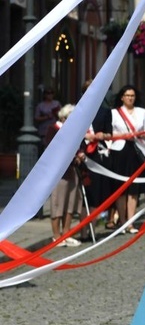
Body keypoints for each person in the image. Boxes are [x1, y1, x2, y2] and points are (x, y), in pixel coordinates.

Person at [109, 85, 145, 233]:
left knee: (134, 189)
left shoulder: (141, 112)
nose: (130, 98)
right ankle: (122, 221)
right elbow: (110, 133)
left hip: (136, 150)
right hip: (120, 152)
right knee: (121, 188)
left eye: (132, 95)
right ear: (122, 97)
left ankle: (130, 222)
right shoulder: (114, 113)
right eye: (127, 95)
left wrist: (142, 134)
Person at [44, 104, 83, 247]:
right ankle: (56, 236)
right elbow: (52, 149)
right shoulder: (53, 129)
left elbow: (80, 146)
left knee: (70, 203)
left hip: (72, 171)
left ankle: (66, 234)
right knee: (58, 204)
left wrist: (80, 155)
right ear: (63, 117)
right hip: (59, 173)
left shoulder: (74, 131)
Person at [81, 79, 114, 241]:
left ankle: (92, 229)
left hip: (97, 156)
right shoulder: (78, 110)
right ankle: (82, 231)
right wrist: (86, 135)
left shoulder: (104, 111)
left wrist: (103, 135)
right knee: (83, 196)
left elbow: (110, 133)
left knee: (94, 194)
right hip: (81, 155)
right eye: (88, 89)